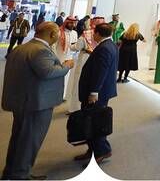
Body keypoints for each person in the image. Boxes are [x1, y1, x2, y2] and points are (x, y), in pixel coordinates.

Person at [1, 22, 74, 179]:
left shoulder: (22, 48)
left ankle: (11, 171)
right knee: (30, 141)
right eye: (57, 33)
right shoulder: (41, 50)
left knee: (19, 138)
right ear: (52, 34)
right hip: (36, 104)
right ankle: (20, 175)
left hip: (23, 101)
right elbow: (48, 72)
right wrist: (67, 66)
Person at [75, 23, 118, 165]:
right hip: (102, 91)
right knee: (91, 120)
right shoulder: (110, 45)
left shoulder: (105, 48)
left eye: (94, 33)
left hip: (98, 93)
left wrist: (94, 92)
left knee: (95, 121)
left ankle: (102, 150)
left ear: (98, 33)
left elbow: (101, 72)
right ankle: (92, 149)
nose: (93, 35)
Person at [65, 17, 105, 114]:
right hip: (98, 60)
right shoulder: (106, 35)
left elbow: (77, 47)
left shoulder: (86, 34)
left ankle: (75, 109)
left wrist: (70, 45)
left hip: (85, 59)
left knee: (79, 83)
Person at [58, 16, 78, 93]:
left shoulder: (75, 33)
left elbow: (74, 46)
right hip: (59, 58)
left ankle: (62, 95)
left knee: (66, 78)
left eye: (74, 23)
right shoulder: (59, 32)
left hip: (69, 59)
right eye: (71, 23)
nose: (73, 25)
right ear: (66, 22)